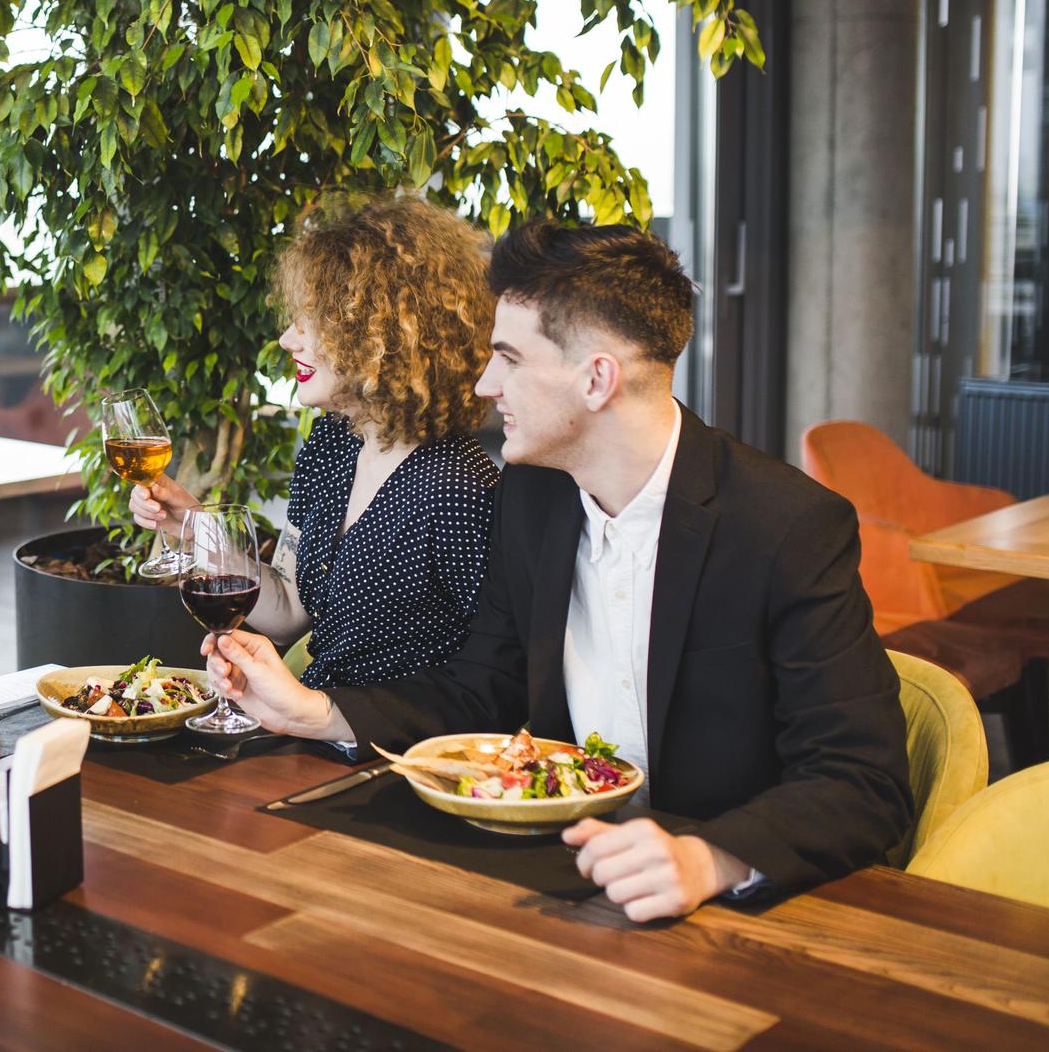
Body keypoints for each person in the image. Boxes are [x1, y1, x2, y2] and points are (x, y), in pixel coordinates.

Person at [202, 221, 912, 919]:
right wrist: (315, 711)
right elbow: (483, 689)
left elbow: (863, 779)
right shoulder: (531, 499)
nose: (482, 384)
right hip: (559, 883)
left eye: (508, 358)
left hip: (734, 914)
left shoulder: (785, 524)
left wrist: (709, 857)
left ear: (596, 378)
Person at [130, 194, 497, 686]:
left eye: (311, 321)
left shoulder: (459, 489)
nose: (286, 340)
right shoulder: (333, 442)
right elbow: (290, 606)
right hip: (309, 728)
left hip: (389, 749)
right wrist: (197, 529)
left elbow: (488, 682)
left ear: (379, 333)